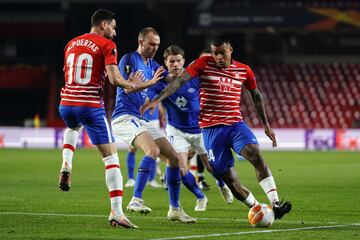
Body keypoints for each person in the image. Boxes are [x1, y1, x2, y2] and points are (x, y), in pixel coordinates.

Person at [140, 36, 292, 220]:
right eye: (215, 53)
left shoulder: (244, 70)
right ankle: (257, 207)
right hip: (211, 130)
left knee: (255, 154)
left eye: (222, 53)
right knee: (229, 178)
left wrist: (266, 126)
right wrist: (156, 101)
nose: (218, 57)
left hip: (235, 125)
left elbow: (256, 95)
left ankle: (275, 203)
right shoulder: (204, 63)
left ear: (231, 50)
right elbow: (180, 81)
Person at [57, 9, 163, 229]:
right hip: (90, 106)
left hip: (66, 102)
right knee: (111, 158)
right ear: (104, 24)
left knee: (72, 126)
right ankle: (116, 211)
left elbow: (67, 73)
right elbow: (116, 80)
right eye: (113, 27)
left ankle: (67, 162)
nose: (114, 33)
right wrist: (136, 84)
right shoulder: (107, 46)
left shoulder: (71, 43)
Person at [111, 27, 196, 223]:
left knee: (174, 158)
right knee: (153, 150)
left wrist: (188, 70)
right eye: (151, 44)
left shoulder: (153, 64)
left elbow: (171, 79)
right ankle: (135, 199)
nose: (155, 48)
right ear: (141, 42)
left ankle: (175, 209)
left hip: (141, 119)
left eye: (157, 45)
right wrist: (148, 83)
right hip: (124, 117)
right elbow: (127, 88)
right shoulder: (129, 59)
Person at [147, 45, 235, 211]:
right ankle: (201, 197)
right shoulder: (160, 84)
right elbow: (148, 96)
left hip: (200, 129)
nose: (175, 64)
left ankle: (221, 184)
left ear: (183, 62)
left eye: (178, 61)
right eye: (171, 61)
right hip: (176, 130)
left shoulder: (193, 77)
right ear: (165, 63)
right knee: (180, 168)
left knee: (211, 167)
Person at [124, 105, 164, 188]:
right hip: (138, 118)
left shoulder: (155, 91)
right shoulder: (135, 91)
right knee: (132, 148)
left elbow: (158, 100)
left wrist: (161, 113)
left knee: (154, 150)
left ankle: (151, 180)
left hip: (154, 119)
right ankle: (131, 179)